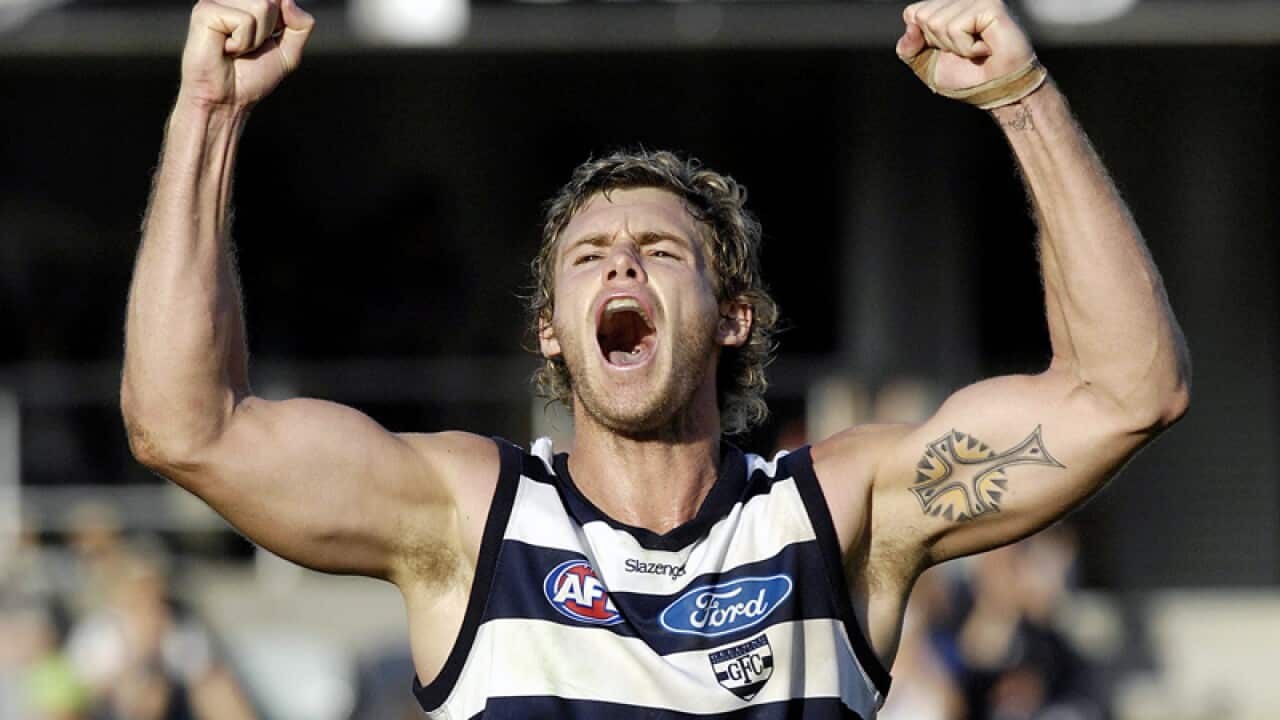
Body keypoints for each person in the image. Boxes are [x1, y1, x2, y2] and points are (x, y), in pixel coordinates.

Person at [120, 0, 1191, 716]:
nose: (619, 267)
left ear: (732, 315)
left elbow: (1127, 391)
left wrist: (1021, 97)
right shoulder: (467, 517)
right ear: (551, 327)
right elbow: (184, 425)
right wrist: (207, 113)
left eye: (657, 251)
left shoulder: (832, 514)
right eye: (588, 257)